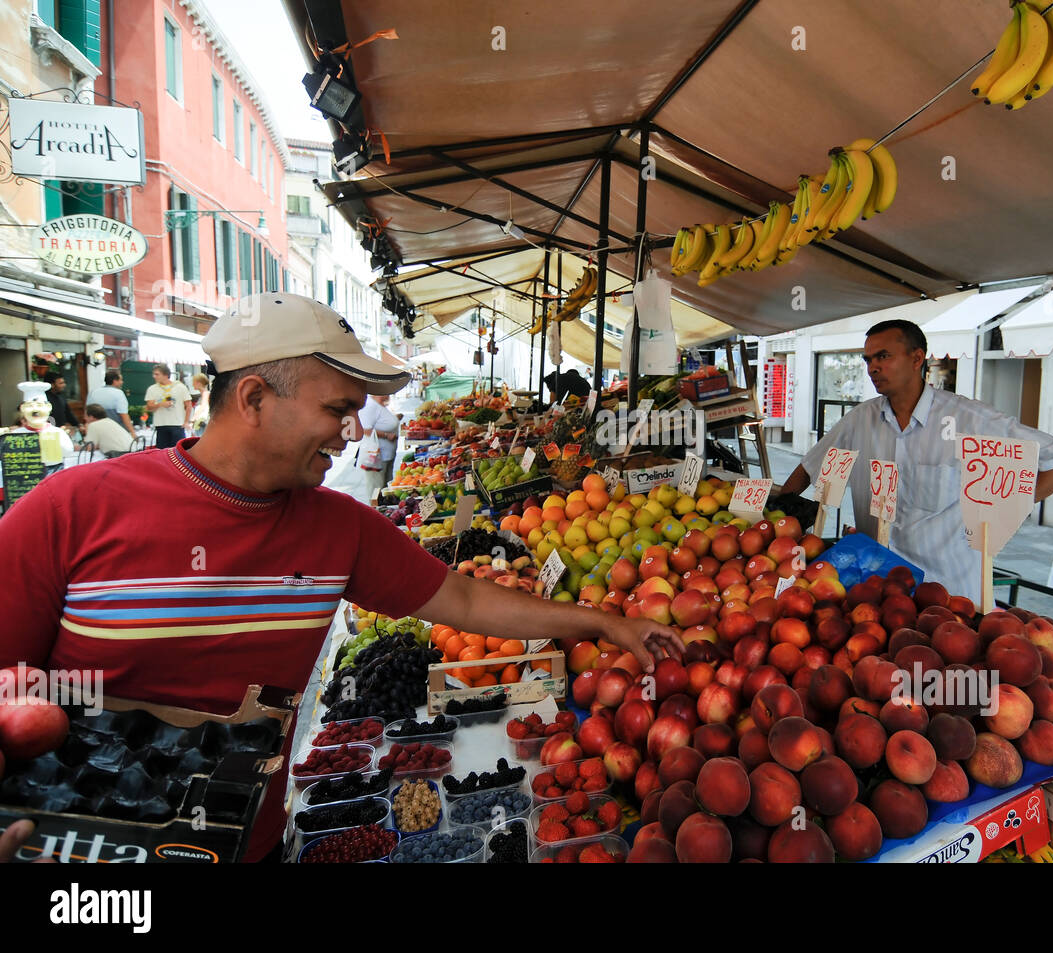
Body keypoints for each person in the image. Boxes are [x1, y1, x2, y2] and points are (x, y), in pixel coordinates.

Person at [0, 292, 681, 863]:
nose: (354, 433)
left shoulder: (339, 528)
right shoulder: (68, 511)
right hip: (83, 852)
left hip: (250, 844)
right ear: (255, 397)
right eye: (337, 409)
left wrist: (604, 622)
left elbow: (466, 597)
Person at [777, 319, 1053, 602]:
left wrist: (1008, 506)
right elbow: (809, 466)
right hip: (875, 588)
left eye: (883, 356)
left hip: (945, 595)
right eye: (868, 360)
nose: (873, 367)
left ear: (917, 358)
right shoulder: (859, 420)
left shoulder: (970, 420)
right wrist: (780, 520)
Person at [357, 391, 399, 493]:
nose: (390, 393)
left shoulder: (379, 405)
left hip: (387, 455)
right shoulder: (370, 405)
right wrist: (386, 435)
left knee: (384, 487)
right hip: (377, 457)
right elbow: (365, 430)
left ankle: (381, 508)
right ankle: (375, 508)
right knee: (376, 489)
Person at [144, 363, 191, 450]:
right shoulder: (152, 389)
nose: (154, 376)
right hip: (161, 424)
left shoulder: (180, 387)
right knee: (162, 452)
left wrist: (186, 422)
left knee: (178, 451)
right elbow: (149, 406)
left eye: (157, 374)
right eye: (154, 374)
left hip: (177, 424)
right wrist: (160, 404)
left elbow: (188, 405)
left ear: (165, 375)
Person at [85, 369, 134, 434]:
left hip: (96, 430)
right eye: (120, 380)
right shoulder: (119, 393)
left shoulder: (93, 392)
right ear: (115, 381)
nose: (122, 382)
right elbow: (124, 415)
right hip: (115, 431)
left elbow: (86, 413)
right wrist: (132, 432)